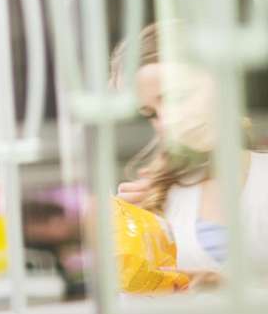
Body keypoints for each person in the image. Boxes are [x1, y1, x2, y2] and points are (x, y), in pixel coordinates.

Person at [113, 22, 268, 278]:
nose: (166, 122)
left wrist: (234, 292)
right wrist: (132, 240)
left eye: (177, 97)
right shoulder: (159, 199)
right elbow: (138, 310)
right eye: (151, 114)